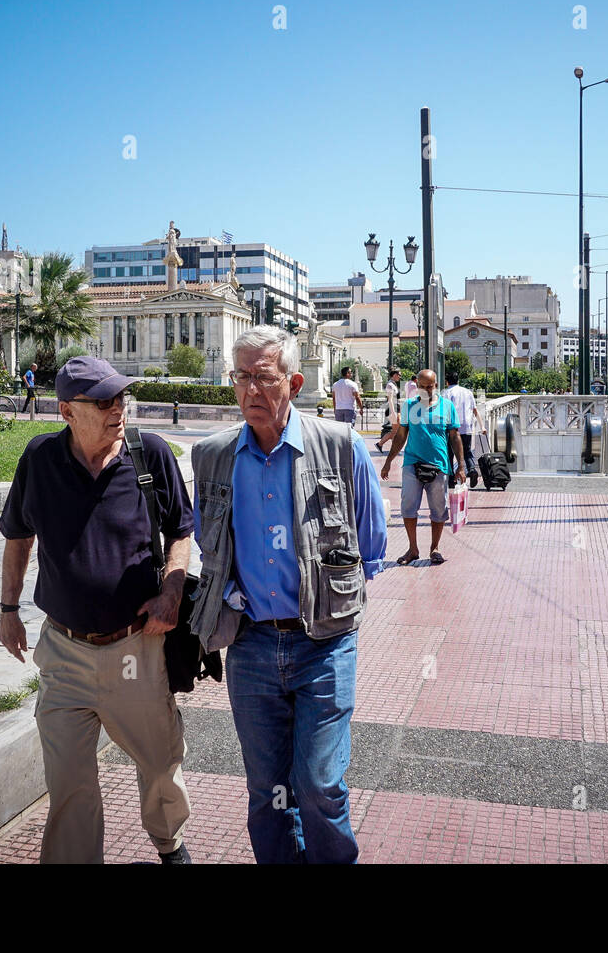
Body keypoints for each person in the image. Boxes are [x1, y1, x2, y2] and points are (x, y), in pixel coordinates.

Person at [188, 327, 386, 864]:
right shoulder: (211, 457)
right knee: (267, 791)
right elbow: (210, 547)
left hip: (323, 645)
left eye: (264, 377)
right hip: (251, 646)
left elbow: (371, 546)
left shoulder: (341, 447)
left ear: (294, 383)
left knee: (319, 783)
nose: (250, 389)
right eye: (241, 377)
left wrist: (329, 597)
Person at [0, 356, 194, 864]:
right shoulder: (39, 459)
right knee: (68, 783)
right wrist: (8, 608)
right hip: (62, 651)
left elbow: (181, 531)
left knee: (159, 765)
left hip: (136, 648)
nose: (118, 409)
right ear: (67, 410)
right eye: (103, 401)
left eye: (121, 397)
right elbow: (18, 536)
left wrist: (171, 593)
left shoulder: (149, 454)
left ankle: (171, 847)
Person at [381, 369, 466, 565]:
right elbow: (401, 436)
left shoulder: (447, 406)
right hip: (412, 463)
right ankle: (413, 549)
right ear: (416, 386)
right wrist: (388, 462)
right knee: (408, 507)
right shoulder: (410, 405)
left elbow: (454, 436)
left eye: (431, 386)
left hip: (439, 464)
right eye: (423, 387)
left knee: (439, 510)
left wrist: (460, 465)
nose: (427, 390)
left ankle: (435, 548)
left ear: (436, 384)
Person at [443, 370, 482, 488]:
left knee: (449, 452)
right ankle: (471, 469)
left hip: (452, 427)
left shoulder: (445, 393)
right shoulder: (468, 392)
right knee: (467, 451)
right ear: (458, 380)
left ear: (447, 381)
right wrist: (482, 426)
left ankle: (450, 479)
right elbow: (475, 410)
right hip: (466, 426)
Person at [376, 368, 401, 453]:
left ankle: (381, 444)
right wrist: (393, 412)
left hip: (395, 409)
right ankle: (382, 444)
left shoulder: (393, 384)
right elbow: (390, 399)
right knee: (396, 430)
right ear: (394, 375)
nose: (400, 377)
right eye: (399, 375)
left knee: (395, 431)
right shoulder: (390, 385)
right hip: (392, 410)